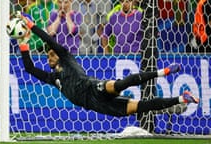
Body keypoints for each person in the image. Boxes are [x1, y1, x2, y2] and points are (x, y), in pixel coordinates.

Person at [14, 14, 199, 117]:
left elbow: (49, 40)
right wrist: (24, 44)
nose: (49, 57)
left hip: (93, 88)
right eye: (48, 56)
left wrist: (30, 25)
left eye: (51, 54)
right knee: (144, 106)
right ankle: (182, 99)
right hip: (96, 106)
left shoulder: (67, 58)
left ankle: (162, 72)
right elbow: (29, 68)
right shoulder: (53, 78)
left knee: (120, 84)